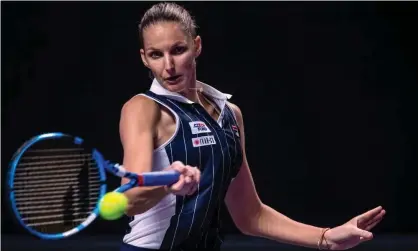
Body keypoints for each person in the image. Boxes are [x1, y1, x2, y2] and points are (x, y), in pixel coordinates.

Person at [118, 2, 386, 251]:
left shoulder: (230, 114)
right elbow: (129, 199)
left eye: (178, 50)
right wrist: (167, 183)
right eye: (156, 54)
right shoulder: (142, 109)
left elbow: (250, 215)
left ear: (197, 46)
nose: (168, 66)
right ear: (144, 58)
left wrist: (325, 237)